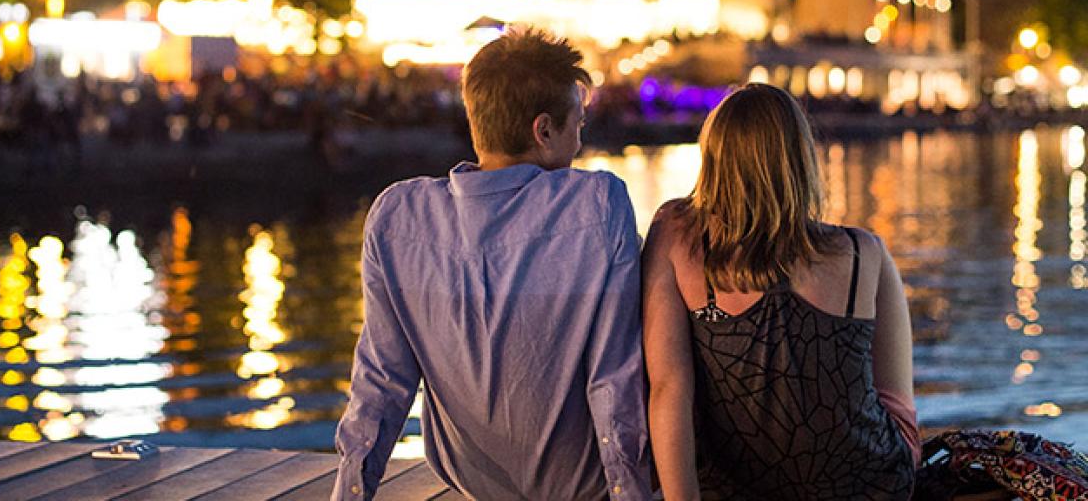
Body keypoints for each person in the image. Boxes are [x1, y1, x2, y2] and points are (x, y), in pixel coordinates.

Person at [332, 27, 652, 500]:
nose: (578, 143)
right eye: (577, 126)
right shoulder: (596, 204)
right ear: (544, 131)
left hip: (472, 483)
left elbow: (381, 381)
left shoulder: (398, 216)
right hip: (583, 488)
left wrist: (349, 494)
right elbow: (614, 379)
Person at [642, 83, 917, 501]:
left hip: (733, 488)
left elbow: (668, 389)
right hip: (871, 483)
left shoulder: (677, 236)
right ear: (801, 159)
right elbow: (899, 409)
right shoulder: (864, 252)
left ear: (713, 157)